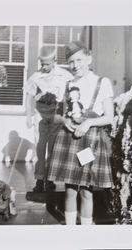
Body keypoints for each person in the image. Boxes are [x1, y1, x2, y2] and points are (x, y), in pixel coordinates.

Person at [47, 40, 114, 224]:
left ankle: (85, 234)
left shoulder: (102, 82)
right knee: (69, 190)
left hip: (90, 142)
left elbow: (109, 116)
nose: (75, 65)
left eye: (79, 60)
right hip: (69, 140)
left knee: (86, 191)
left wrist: (90, 122)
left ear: (89, 58)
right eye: (71, 62)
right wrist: (65, 120)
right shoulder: (67, 84)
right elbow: (56, 117)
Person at [26, 45, 73, 192]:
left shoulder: (64, 75)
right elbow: (28, 97)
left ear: (54, 61)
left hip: (56, 115)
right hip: (40, 115)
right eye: (42, 64)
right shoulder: (36, 76)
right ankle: (40, 180)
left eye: (47, 64)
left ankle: (50, 180)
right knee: (40, 148)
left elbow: (72, 93)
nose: (44, 67)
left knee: (53, 148)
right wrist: (28, 116)